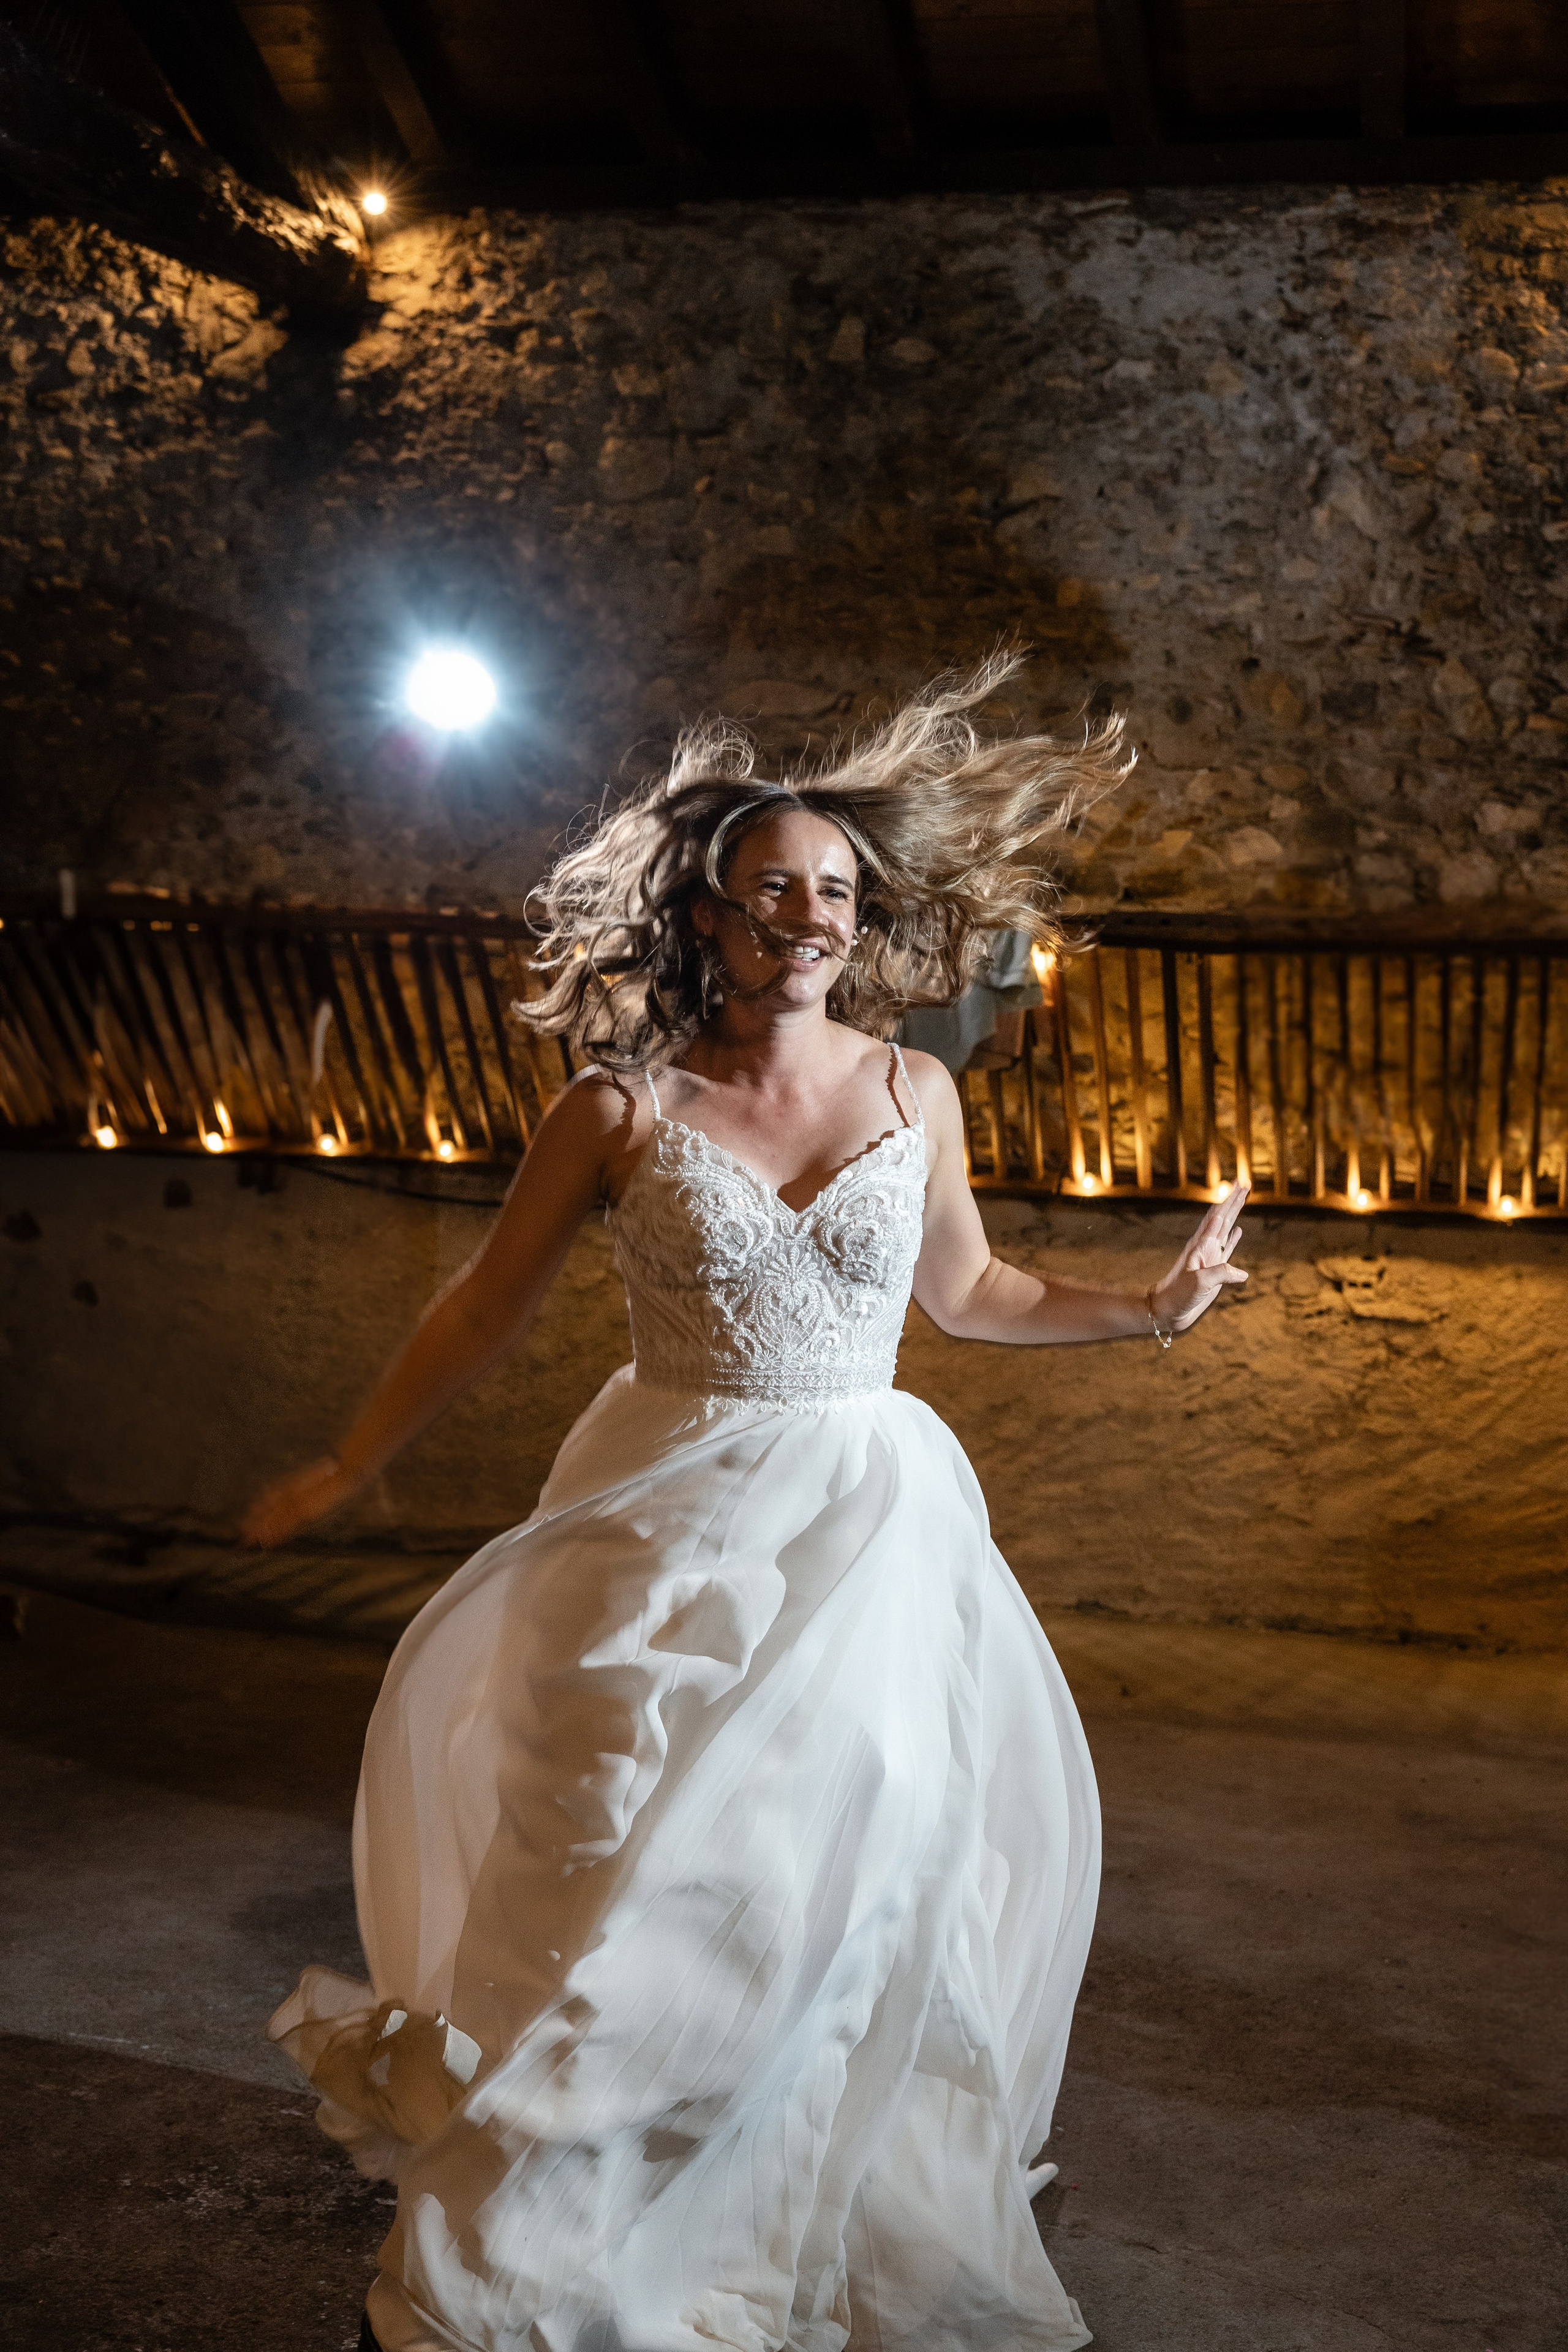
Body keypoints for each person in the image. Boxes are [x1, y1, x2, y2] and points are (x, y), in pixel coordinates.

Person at [245, 655, 1248, 2352]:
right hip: (656, 1524)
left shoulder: (915, 1091)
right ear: (708, 915)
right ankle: (518, 2273)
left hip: (865, 1531)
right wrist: (355, 1457)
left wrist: (1150, 1311)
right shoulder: (621, 1107)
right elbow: (481, 1305)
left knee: (823, 1898)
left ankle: (771, 2237)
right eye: (777, 887)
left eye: (840, 892)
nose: (814, 915)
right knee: (601, 1881)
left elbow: (972, 1297)